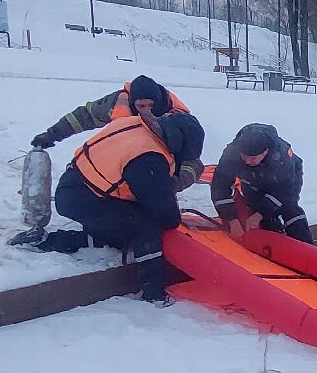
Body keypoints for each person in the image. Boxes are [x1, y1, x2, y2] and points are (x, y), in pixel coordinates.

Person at [34, 110, 205, 306]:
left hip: (77, 186)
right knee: (144, 226)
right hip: (85, 198)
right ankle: (153, 292)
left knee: (121, 228)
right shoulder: (148, 156)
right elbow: (165, 213)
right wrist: (172, 217)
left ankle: (53, 241)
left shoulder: (135, 124)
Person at [211, 122, 313, 244]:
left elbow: (283, 191)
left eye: (253, 158)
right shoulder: (232, 154)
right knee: (257, 207)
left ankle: (305, 245)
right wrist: (232, 221)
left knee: (289, 207)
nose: (248, 161)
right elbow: (220, 187)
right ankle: (271, 241)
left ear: (265, 152)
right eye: (245, 157)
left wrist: (258, 216)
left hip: (286, 178)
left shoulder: (281, 157)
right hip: (251, 181)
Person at [29, 74, 190, 150]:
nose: (146, 111)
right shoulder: (117, 102)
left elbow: (190, 141)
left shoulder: (175, 111)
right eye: (141, 106)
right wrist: (51, 134)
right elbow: (83, 117)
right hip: (126, 151)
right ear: (133, 102)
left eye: (150, 106)